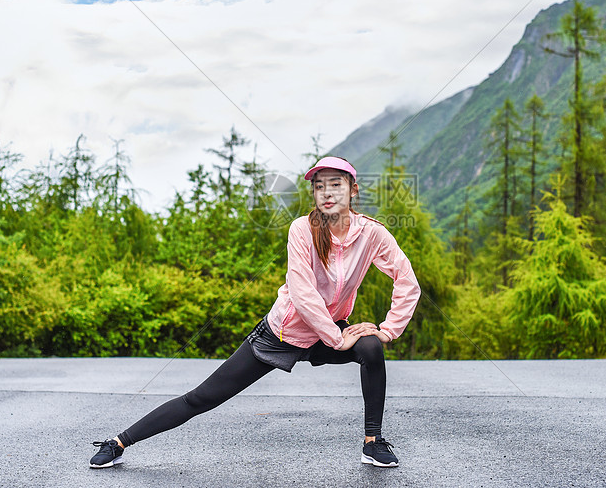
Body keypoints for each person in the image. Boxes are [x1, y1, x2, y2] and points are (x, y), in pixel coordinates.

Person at [89, 156, 421, 469]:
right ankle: (118, 443)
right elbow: (303, 295)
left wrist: (387, 329)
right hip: (281, 334)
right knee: (202, 398)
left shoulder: (372, 233)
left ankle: (373, 442)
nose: (327, 193)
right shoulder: (302, 230)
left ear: (353, 190)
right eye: (319, 186)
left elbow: (406, 281)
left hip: (328, 333)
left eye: (335, 185)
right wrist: (337, 338)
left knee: (371, 347)